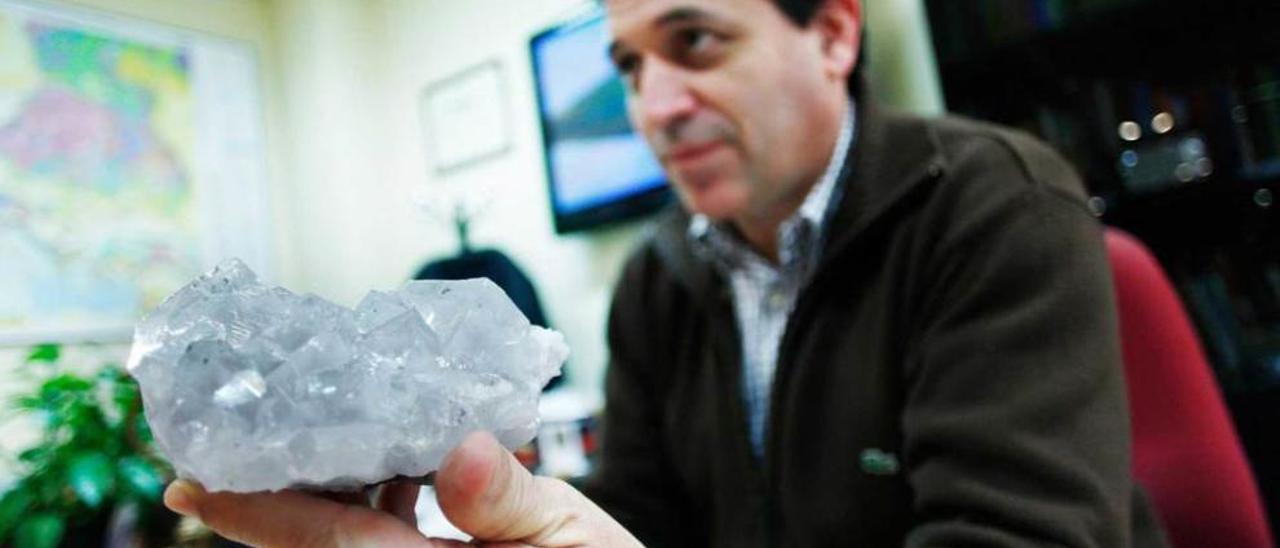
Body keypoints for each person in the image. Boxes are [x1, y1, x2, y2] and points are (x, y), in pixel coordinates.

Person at [165, 0, 1169, 546]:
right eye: (630, 66)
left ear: (831, 33)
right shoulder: (661, 271)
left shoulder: (994, 204)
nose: (654, 104)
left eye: (693, 41)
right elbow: (644, 506)